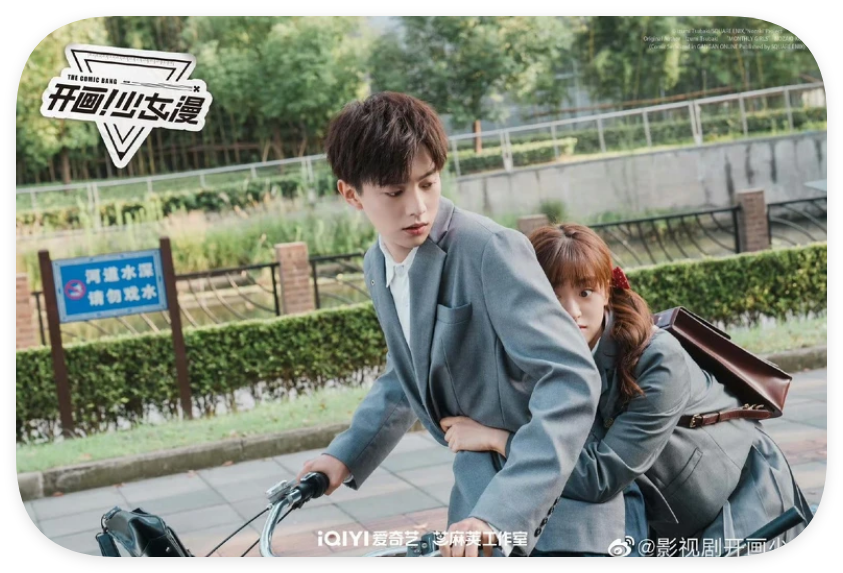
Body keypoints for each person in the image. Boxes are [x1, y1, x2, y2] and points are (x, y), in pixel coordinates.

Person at [293, 91, 609, 557]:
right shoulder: (377, 264)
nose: (418, 207)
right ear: (351, 194)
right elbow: (407, 373)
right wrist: (343, 456)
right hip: (473, 503)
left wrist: (500, 513)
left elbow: (571, 378)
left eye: (428, 183)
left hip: (553, 513)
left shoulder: (487, 249)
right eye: (395, 192)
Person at [440, 222, 814, 556]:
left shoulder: (658, 360)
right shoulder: (542, 353)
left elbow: (601, 475)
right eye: (553, 294)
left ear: (607, 291)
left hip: (728, 490)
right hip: (653, 506)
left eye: (585, 292)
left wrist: (496, 439)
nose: (571, 311)